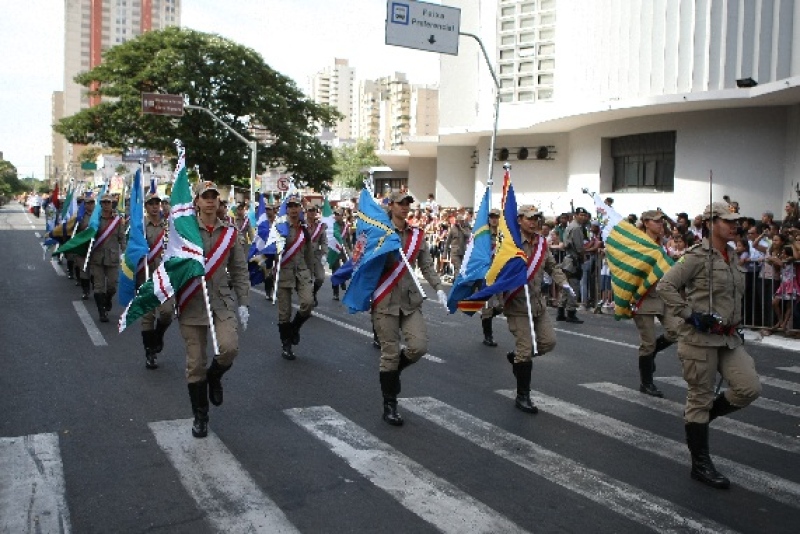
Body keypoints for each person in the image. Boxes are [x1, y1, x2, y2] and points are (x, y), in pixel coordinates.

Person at [657, 201, 762, 489]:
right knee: (698, 397)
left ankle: (702, 416)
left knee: (749, 387)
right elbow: (665, 286)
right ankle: (700, 464)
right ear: (712, 223)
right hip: (699, 339)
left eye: (736, 221)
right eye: (727, 221)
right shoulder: (696, 256)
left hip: (728, 338)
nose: (734, 225)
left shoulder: (733, 256)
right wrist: (690, 314)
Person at [181, 181, 250, 438]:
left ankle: (215, 376)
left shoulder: (230, 234)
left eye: (214, 197)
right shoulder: (184, 231)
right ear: (196, 201)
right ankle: (201, 415)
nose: (210, 200)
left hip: (220, 302)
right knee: (195, 364)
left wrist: (244, 302)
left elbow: (240, 270)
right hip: (192, 302)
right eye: (205, 196)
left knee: (229, 348)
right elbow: (170, 267)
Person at [373, 190, 448, 426]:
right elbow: (366, 262)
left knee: (419, 346)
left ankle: (394, 372)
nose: (405, 207)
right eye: (400, 203)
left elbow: (426, 264)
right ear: (391, 206)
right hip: (385, 300)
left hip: (410, 301)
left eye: (408, 204)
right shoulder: (379, 232)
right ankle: (390, 404)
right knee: (389, 353)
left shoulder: (416, 234)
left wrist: (438, 288)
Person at [504, 208, 570, 413]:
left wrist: (563, 283)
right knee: (525, 350)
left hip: (538, 304)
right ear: (520, 220)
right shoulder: (509, 243)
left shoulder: (541, 243)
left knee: (548, 342)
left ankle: (518, 358)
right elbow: (495, 272)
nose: (534, 222)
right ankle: (523, 396)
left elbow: (551, 265)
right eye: (529, 219)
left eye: (536, 219)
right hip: (518, 305)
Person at [633, 210, 679, 397]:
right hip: (643, 296)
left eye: (662, 222)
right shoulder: (638, 243)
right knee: (648, 342)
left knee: (676, 330)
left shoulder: (663, 244)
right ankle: (646, 382)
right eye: (657, 222)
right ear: (646, 222)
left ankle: (652, 355)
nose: (661, 225)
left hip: (663, 295)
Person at [275, 193, 315, 360]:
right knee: (284, 312)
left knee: (308, 303)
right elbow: (271, 250)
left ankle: (294, 328)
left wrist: (311, 273)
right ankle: (286, 344)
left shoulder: (304, 230)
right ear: (286, 208)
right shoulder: (279, 228)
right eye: (290, 206)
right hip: (284, 272)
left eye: (296, 206)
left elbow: (308, 254)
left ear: (300, 209)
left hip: (301, 272)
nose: (293, 209)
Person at [139, 192, 173, 370]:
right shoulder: (140, 226)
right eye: (150, 203)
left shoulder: (168, 226)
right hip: (146, 276)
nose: (154, 206)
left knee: (167, 312)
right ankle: (150, 352)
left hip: (165, 276)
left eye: (156, 203)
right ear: (145, 206)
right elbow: (131, 248)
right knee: (147, 316)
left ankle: (158, 336)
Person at [88, 194, 126, 322]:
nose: (106, 205)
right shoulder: (95, 220)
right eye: (103, 202)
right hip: (97, 257)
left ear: (112, 204)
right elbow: (89, 236)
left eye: (108, 202)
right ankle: (101, 312)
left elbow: (122, 237)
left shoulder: (117, 220)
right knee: (98, 286)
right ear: (101, 204)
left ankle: (108, 299)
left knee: (112, 285)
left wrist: (125, 252)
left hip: (112, 257)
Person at [557, 207, 587, 323]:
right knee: (574, 287)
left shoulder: (570, 226)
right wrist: (582, 258)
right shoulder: (576, 228)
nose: (583, 217)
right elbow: (579, 248)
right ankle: (571, 312)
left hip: (567, 260)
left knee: (566, 287)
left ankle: (561, 311)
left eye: (584, 215)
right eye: (581, 215)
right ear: (576, 215)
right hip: (573, 261)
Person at [480, 209, 503, 346]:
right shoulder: (483, 235)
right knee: (487, 306)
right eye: (492, 217)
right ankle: (488, 336)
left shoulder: (503, 235)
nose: (494, 219)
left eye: (496, 217)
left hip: (500, 273)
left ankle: (485, 317)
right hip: (487, 274)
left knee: (503, 305)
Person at [305, 204, 328, 306]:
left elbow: (324, 241)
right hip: (304, 256)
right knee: (306, 280)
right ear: (306, 212)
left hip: (316, 255)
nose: (312, 212)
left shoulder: (320, 226)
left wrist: (324, 253)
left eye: (314, 210)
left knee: (320, 278)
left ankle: (313, 293)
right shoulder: (301, 225)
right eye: (310, 210)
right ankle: (308, 301)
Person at [330, 208, 351, 301]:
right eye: (335, 214)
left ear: (342, 216)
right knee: (335, 271)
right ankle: (335, 292)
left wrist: (351, 250)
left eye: (338, 214)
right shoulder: (332, 225)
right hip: (335, 249)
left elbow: (348, 239)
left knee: (348, 267)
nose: (336, 216)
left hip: (344, 249)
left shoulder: (346, 226)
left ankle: (342, 279)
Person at [445, 213, 471, 278]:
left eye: (462, 221)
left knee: (462, 269)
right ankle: (457, 283)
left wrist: (461, 228)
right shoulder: (453, 229)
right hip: (455, 252)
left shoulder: (466, 228)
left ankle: (456, 281)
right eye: (460, 221)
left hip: (463, 252)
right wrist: (444, 253)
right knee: (458, 268)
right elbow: (448, 242)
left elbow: (468, 235)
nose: (461, 222)